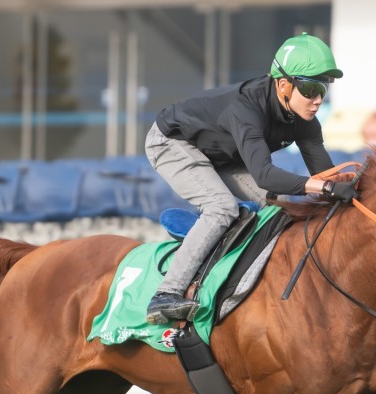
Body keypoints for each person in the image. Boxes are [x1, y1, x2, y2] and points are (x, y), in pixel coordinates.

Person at [143, 33, 355, 325]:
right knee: (222, 208)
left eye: (324, 91)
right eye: (310, 89)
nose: (317, 100)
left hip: (222, 155)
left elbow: (324, 178)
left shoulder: (305, 121)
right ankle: (166, 294)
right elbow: (265, 174)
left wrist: (346, 186)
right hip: (173, 142)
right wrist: (325, 186)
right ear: (283, 85)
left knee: (277, 209)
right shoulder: (246, 109)